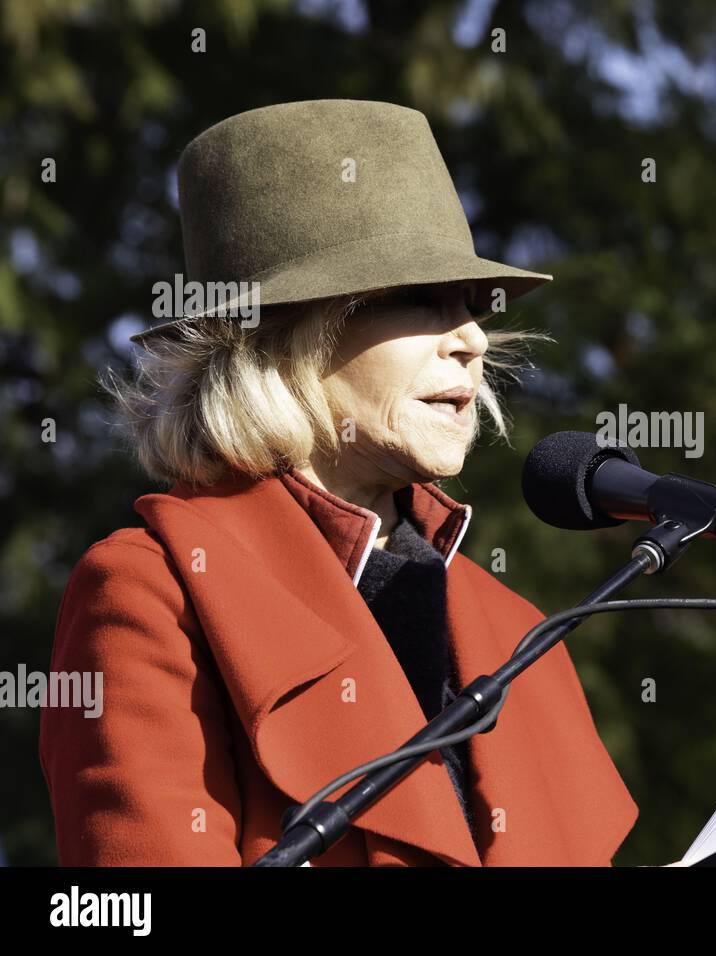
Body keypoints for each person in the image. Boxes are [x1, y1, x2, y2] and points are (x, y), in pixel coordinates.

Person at [38, 100, 638, 866]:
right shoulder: (153, 590)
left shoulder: (517, 630)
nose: (473, 338)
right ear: (284, 341)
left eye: (470, 304)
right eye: (419, 298)